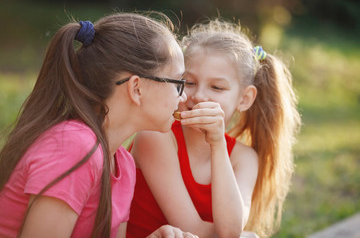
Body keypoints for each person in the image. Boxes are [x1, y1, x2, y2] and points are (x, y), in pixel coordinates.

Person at [0, 12, 199, 238]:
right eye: (178, 83)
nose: (183, 98)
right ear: (136, 88)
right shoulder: (75, 147)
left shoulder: (123, 164)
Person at [126, 19, 301, 238]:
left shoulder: (244, 158)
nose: (198, 95)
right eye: (188, 82)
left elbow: (229, 229)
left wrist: (217, 144)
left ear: (245, 98)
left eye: (217, 87)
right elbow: (200, 229)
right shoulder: (155, 136)